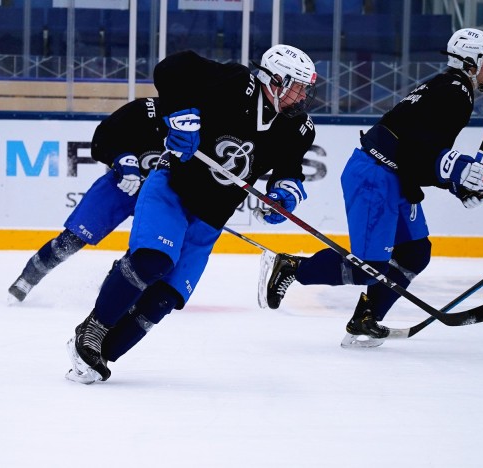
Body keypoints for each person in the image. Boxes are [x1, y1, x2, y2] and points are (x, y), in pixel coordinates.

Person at [65, 44, 318, 384]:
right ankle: (92, 330)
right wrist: (182, 116)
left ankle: (101, 355)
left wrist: (284, 193)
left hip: (213, 215)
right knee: (152, 261)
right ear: (275, 81)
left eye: (305, 88)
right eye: (297, 86)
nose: (302, 95)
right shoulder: (233, 81)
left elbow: (289, 169)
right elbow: (172, 68)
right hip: (173, 188)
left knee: (166, 297)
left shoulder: (298, 126)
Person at [261, 28, 483, 348]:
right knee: (369, 268)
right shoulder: (454, 92)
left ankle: (366, 318)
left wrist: (458, 183)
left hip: (394, 175)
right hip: (376, 175)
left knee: (415, 252)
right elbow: (420, 151)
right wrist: (456, 171)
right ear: (471, 62)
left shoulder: (452, 88)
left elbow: (421, 153)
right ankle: (293, 267)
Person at [7, 97, 166, 302]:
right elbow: (102, 139)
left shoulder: (206, 120)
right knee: (72, 238)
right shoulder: (145, 109)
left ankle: (116, 279)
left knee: (152, 248)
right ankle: (28, 277)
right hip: (122, 185)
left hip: (163, 196)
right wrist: (123, 159)